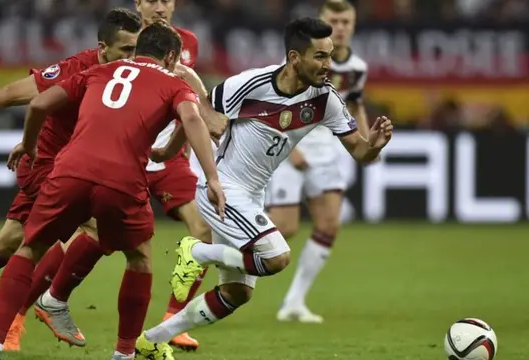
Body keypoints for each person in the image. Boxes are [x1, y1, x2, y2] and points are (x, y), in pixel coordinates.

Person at [0, 21, 224, 360]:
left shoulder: (98, 70)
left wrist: (29, 146)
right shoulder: (174, 82)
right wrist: (212, 177)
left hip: (69, 171)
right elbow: (192, 120)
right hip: (123, 178)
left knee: (30, 247)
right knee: (141, 256)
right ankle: (124, 353)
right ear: (172, 56)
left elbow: (39, 105)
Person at [134, 17, 393, 357]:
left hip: (253, 195)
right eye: (319, 56)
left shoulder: (325, 100)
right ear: (294, 58)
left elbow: (360, 151)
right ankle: (196, 253)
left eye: (329, 56)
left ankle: (152, 339)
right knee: (276, 258)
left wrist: (374, 144)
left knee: (236, 295)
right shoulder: (251, 84)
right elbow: (198, 110)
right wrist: (170, 151)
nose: (327, 65)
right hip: (222, 190)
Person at [0, 9, 142, 359]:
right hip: (50, 167)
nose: (132, 58)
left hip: (78, 168)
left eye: (136, 49)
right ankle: (51, 303)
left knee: (8, 242)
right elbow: (6, 94)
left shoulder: (132, 73)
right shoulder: (74, 69)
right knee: (99, 228)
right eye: (125, 50)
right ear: (102, 48)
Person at [267, 0, 371, 324]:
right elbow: (273, 103)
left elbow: (355, 104)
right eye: (333, 21)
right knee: (284, 228)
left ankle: (294, 302)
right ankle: (232, 264)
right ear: (321, 24)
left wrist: (369, 144)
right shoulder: (299, 61)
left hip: (327, 152)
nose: (339, 27)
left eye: (345, 21)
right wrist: (288, 147)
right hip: (290, 148)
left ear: (353, 25)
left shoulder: (357, 69)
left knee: (328, 225)